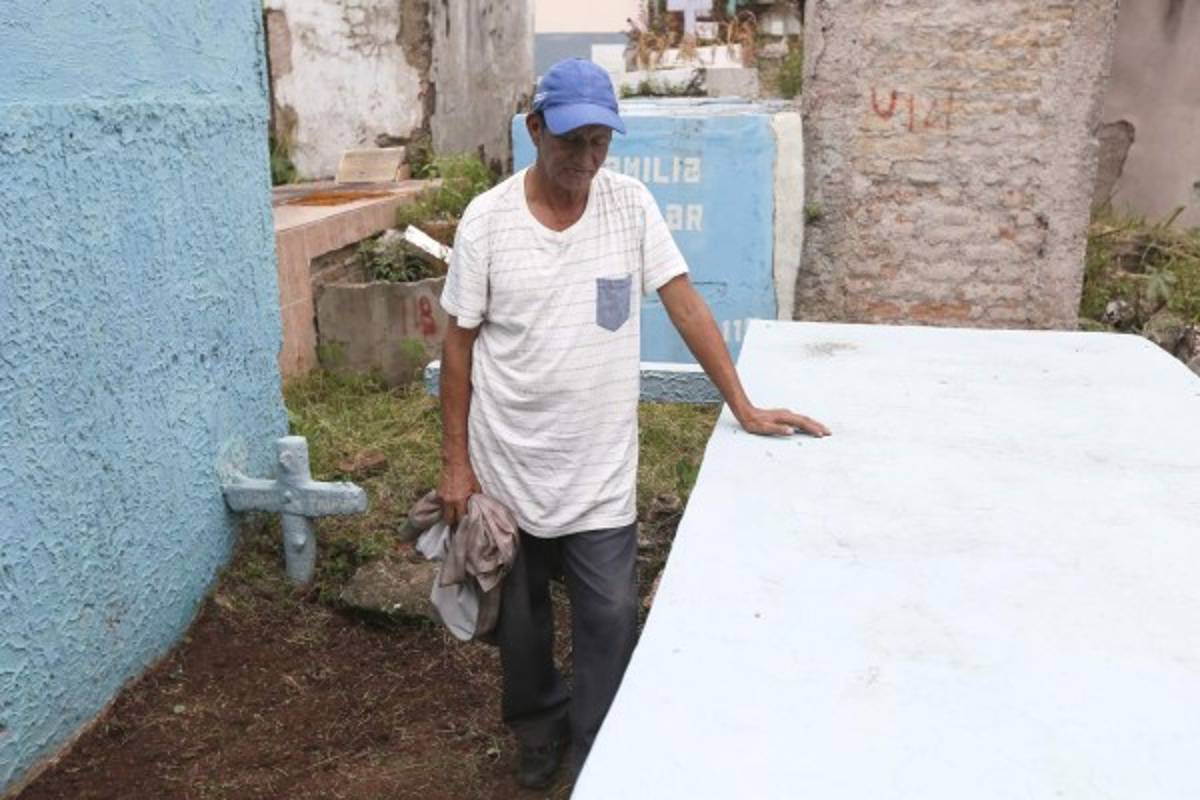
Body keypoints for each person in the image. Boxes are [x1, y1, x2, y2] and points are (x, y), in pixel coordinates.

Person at [437, 58, 830, 789]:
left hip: (599, 473)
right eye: (571, 142)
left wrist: (741, 403)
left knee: (611, 618)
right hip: (509, 468)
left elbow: (685, 303)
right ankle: (538, 727)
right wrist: (456, 465)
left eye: (599, 143)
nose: (586, 160)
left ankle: (598, 749)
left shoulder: (630, 206)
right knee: (519, 625)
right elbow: (457, 345)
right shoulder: (487, 221)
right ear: (534, 130)